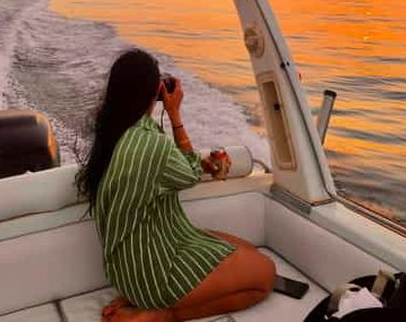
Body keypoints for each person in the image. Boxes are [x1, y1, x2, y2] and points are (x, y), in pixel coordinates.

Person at [76, 49, 275, 322]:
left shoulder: (111, 134)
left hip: (125, 269)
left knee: (245, 248)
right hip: (153, 275)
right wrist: (174, 114)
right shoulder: (150, 143)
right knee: (265, 274)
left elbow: (171, 169)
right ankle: (162, 314)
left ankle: (142, 297)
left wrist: (199, 163)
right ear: (156, 92)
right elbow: (190, 173)